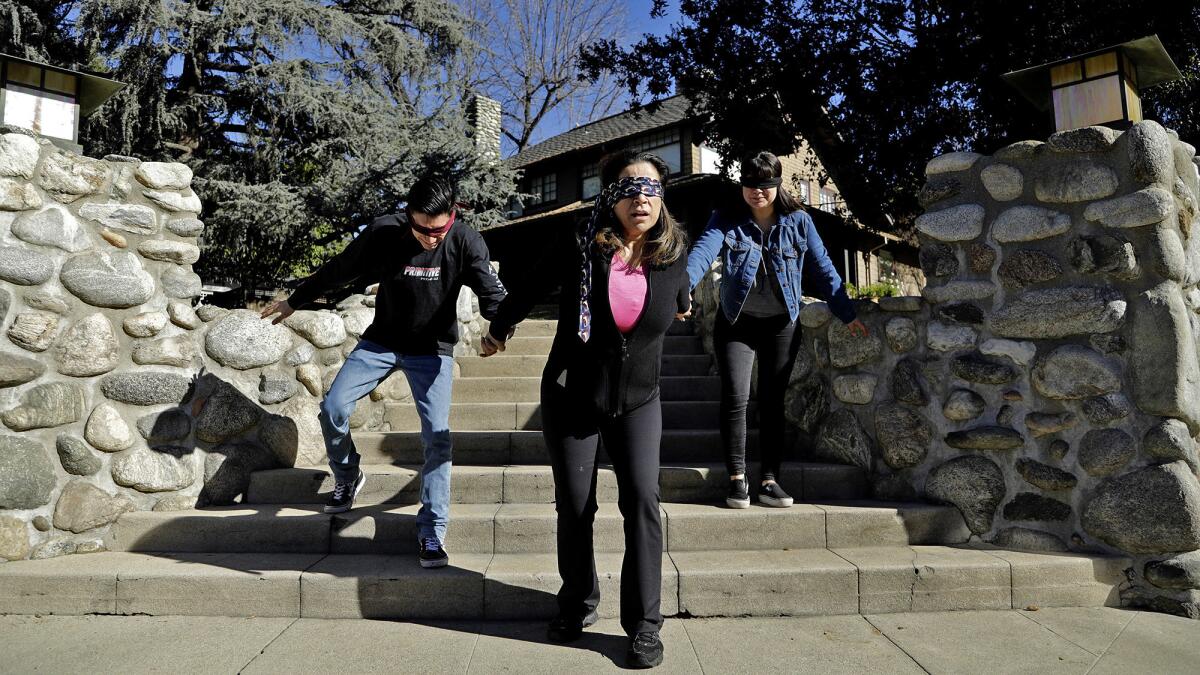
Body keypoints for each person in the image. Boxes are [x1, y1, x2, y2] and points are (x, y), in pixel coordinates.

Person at [482, 150, 690, 669]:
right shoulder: (581, 243)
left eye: (650, 188)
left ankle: (644, 626)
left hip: (640, 399)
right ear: (609, 197)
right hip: (573, 393)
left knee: (642, 501)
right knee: (576, 505)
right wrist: (499, 329)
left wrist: (687, 301)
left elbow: (677, 294)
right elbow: (530, 283)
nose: (640, 197)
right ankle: (577, 602)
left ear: (662, 198)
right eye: (628, 188)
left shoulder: (673, 253)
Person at [260, 172, 506, 569]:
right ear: (408, 215)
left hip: (432, 350)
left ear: (453, 215)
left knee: (437, 440)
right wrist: (297, 299)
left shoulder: (465, 240)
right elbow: (341, 268)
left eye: (438, 230)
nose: (430, 239)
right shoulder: (384, 232)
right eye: (421, 230)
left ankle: (431, 530)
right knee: (333, 408)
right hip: (383, 341)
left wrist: (499, 330)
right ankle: (347, 475)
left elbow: (492, 294)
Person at [687, 151, 868, 510]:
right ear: (742, 186)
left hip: (781, 325)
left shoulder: (799, 221)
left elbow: (823, 266)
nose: (757, 192)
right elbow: (701, 254)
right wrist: (681, 293)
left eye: (765, 184)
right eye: (750, 184)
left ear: (778, 184)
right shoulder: (725, 219)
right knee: (736, 397)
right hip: (736, 322)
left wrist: (847, 313)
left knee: (772, 402)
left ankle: (770, 479)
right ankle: (737, 479)